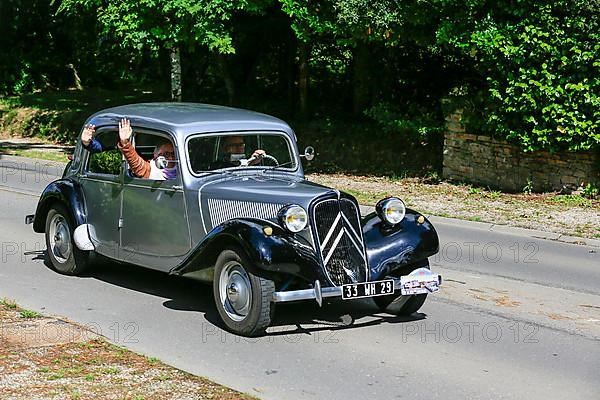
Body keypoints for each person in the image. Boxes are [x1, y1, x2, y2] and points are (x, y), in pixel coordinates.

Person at [81, 118, 177, 180]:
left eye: (173, 154)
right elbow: (138, 166)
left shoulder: (183, 169)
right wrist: (125, 143)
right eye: (166, 154)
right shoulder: (152, 170)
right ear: (156, 156)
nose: (171, 158)